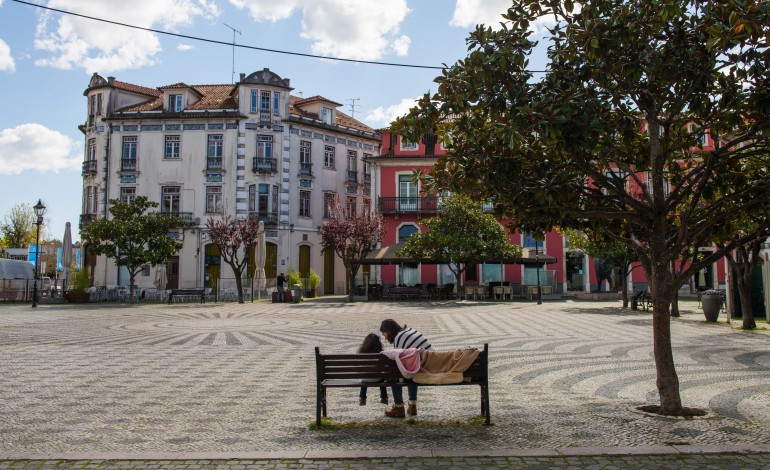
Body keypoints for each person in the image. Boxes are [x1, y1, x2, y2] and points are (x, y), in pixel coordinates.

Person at [379, 319, 432, 418]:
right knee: (410, 369)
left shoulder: (399, 338)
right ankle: (412, 406)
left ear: (389, 331)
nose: (384, 337)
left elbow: (399, 363)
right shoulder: (408, 330)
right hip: (430, 362)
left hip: (425, 368)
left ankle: (399, 407)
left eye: (384, 333)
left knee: (394, 375)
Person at [357, 333, 388, 406]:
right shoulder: (381, 354)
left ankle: (362, 397)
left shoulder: (361, 353)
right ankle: (384, 397)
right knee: (382, 378)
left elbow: (359, 368)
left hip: (364, 379)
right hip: (377, 378)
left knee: (365, 377)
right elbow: (384, 367)